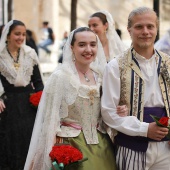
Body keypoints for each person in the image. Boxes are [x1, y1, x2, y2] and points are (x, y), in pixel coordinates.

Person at [24, 27, 128, 170]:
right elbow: (50, 119)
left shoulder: (102, 75)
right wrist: (51, 153)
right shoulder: (60, 77)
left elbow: (105, 111)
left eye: (92, 44)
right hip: (71, 145)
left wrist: (118, 111)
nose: (88, 49)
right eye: (82, 44)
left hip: (102, 144)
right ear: (71, 47)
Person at [101, 6, 170, 170]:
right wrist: (145, 129)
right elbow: (108, 112)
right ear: (129, 30)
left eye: (150, 26)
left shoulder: (168, 62)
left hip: (166, 146)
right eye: (139, 27)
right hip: (132, 146)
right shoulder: (115, 66)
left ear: (156, 29)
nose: (145, 31)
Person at [0, 20, 44, 170]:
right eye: (17, 34)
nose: (21, 37)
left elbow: (38, 81)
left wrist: (40, 99)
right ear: (7, 35)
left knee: (28, 141)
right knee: (10, 143)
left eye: (23, 34)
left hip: (28, 104)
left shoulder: (30, 53)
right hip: (8, 104)